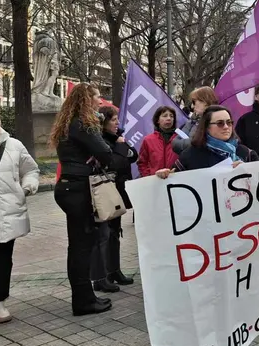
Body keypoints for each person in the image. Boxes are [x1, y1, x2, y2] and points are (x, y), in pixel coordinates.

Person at [155, 105, 257, 346]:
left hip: (237, 235)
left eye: (229, 122)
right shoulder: (192, 156)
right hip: (205, 236)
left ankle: (236, 340)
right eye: (219, 123)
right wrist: (164, 177)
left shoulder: (245, 153)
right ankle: (207, 340)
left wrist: (246, 173)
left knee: (234, 289)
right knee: (208, 291)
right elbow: (176, 186)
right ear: (206, 127)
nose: (226, 127)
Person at [51, 83, 123, 316]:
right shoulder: (83, 123)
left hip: (69, 187)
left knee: (78, 247)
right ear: (86, 100)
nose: (100, 101)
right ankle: (83, 301)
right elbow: (105, 153)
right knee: (82, 247)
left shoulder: (68, 123)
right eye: (96, 97)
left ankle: (85, 297)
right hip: (79, 190)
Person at [0, 104, 39, 327]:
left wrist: (27, 188)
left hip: (8, 210)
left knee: (4, 258)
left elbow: (31, 170)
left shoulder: (13, 145)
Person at [91, 106, 137, 293]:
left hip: (118, 188)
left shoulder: (117, 138)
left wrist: (122, 146)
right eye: (113, 120)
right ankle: (102, 276)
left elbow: (134, 156)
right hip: (106, 190)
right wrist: (120, 146)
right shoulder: (102, 141)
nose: (117, 123)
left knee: (115, 232)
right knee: (105, 234)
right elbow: (116, 161)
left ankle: (114, 269)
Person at [172, 87, 218, 155]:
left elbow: (198, 143)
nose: (192, 106)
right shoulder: (193, 120)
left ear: (205, 101)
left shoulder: (216, 122)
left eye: (194, 102)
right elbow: (175, 144)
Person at [137, 106, 179, 177]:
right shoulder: (148, 140)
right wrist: (148, 177)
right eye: (165, 116)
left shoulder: (180, 139)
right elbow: (142, 163)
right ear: (157, 120)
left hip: (177, 180)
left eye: (171, 116)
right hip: (155, 182)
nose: (169, 118)